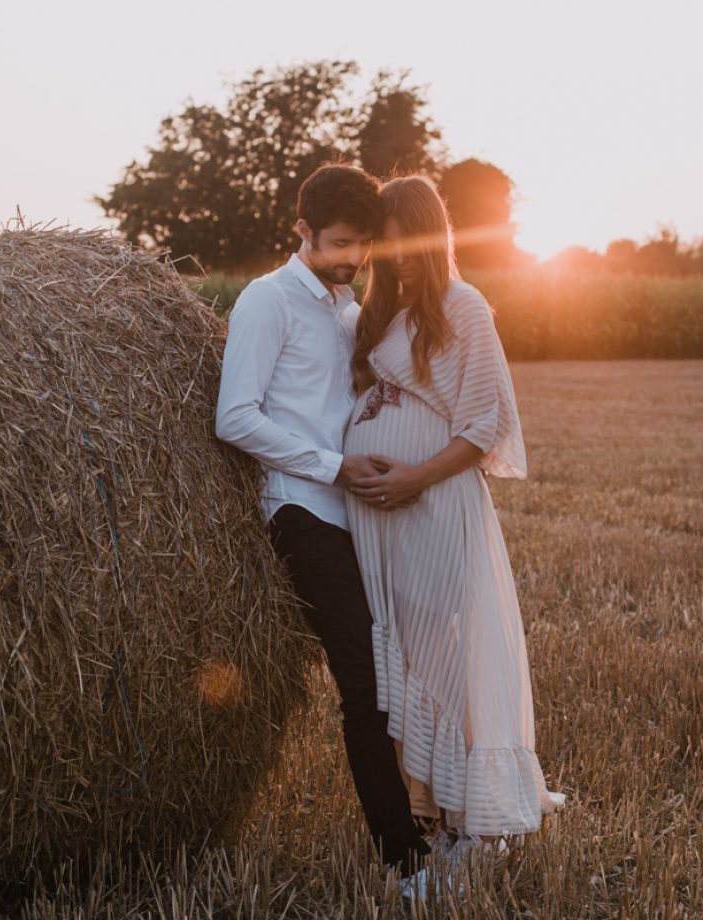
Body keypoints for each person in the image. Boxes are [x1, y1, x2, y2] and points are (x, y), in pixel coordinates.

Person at [215, 164, 433, 889]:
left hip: (361, 513)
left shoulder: (345, 309)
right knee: (365, 688)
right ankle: (405, 865)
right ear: (300, 229)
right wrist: (331, 466)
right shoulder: (266, 302)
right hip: (302, 513)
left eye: (363, 244)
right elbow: (236, 416)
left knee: (403, 675)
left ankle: (433, 821)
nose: (353, 258)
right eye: (339, 242)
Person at [344, 175, 565, 858]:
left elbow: (486, 422)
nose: (399, 258)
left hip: (436, 508)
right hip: (379, 522)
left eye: (411, 245)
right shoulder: (374, 313)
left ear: (435, 238)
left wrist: (413, 475)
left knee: (452, 659)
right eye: (388, 245)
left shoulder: (463, 306)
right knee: (409, 661)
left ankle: (479, 823)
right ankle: (434, 811)